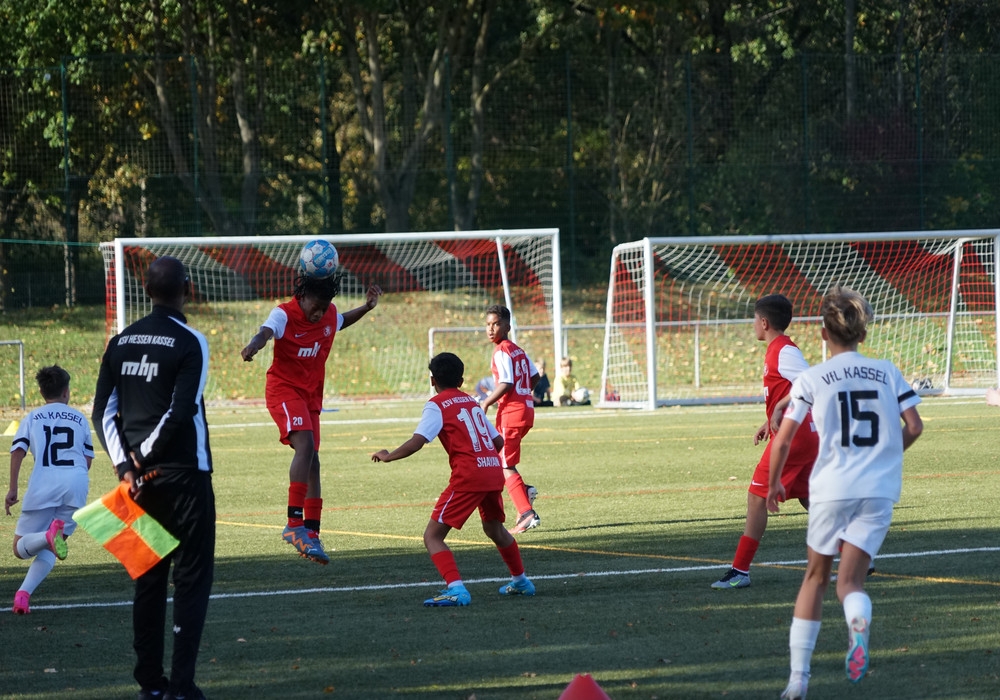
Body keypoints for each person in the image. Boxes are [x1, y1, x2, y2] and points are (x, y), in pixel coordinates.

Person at [767, 285, 923, 699]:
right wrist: (885, 457)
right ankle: (857, 622)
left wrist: (775, 482)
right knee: (850, 582)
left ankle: (798, 681)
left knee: (815, 578)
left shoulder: (812, 378)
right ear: (862, 334)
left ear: (823, 334)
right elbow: (914, 425)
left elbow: (783, 440)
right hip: (878, 490)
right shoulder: (887, 371)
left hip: (832, 487)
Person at [92, 256, 216, 700]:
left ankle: (150, 685)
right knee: (192, 580)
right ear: (188, 289)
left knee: (147, 580)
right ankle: (181, 687)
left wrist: (126, 468)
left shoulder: (119, 341)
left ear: (145, 290)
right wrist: (141, 457)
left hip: (138, 484)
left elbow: (101, 411)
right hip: (185, 477)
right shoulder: (191, 340)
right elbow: (180, 412)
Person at [370, 352, 535, 606]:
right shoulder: (472, 402)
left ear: (432, 380)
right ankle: (521, 581)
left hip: (470, 475)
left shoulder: (436, 404)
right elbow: (498, 442)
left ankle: (456, 590)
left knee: (433, 536)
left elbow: (418, 441)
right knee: (494, 528)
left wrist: (388, 455)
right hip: (493, 470)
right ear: (461, 380)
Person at [241, 271, 382, 565]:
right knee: (305, 447)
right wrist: (254, 345)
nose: (319, 314)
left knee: (313, 460)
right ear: (302, 297)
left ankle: (312, 533)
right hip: (283, 389)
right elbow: (266, 331)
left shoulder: (327, 314)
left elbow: (341, 320)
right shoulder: (284, 314)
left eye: (323, 308)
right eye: (315, 307)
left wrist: (367, 308)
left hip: (311, 396)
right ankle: (294, 524)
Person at [711, 294, 819, 590]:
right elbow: (791, 388)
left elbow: (811, 382)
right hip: (804, 433)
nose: (753, 326)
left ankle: (739, 571)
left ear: (764, 322)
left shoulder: (783, 350)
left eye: (754, 320)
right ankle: (858, 554)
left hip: (794, 437)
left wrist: (781, 406)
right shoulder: (778, 349)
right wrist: (769, 418)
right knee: (810, 498)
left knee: (757, 498)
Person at [5, 365, 93, 615]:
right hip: (76, 484)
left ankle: (46, 536)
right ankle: (23, 594)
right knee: (54, 544)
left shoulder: (33, 417)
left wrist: (13, 488)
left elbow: (18, 451)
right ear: (66, 392)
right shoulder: (80, 418)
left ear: (42, 392)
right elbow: (87, 459)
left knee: (19, 548)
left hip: (44, 483)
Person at [479, 304, 541, 534]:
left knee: (505, 465)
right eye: (488, 324)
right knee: (504, 460)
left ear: (507, 326)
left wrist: (486, 402)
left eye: (496, 324)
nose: (491, 329)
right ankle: (524, 492)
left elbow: (506, 383)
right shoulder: (518, 350)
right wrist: (523, 393)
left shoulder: (501, 351)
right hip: (525, 410)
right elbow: (534, 376)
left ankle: (526, 514)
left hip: (512, 414)